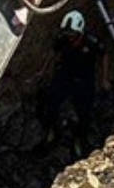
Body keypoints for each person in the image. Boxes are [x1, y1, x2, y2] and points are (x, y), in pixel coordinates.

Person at [42, 11, 109, 155]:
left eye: (72, 35)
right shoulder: (62, 39)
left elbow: (104, 55)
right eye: (68, 34)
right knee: (51, 103)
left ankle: (79, 140)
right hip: (65, 75)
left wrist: (104, 79)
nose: (70, 38)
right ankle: (53, 131)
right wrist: (45, 71)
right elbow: (53, 54)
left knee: (84, 113)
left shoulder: (91, 42)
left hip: (85, 80)